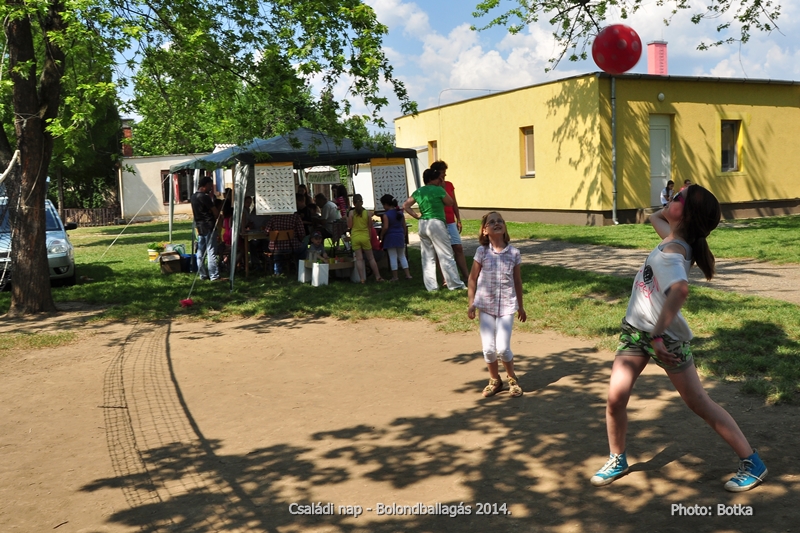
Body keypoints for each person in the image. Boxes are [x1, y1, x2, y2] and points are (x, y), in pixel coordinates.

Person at [590, 184, 767, 492]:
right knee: (615, 399)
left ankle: (753, 462)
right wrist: (675, 205)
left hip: (665, 340)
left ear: (686, 215)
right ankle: (617, 458)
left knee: (699, 402)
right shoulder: (674, 240)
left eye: (678, 198)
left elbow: (680, 290)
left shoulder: (673, 252)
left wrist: (658, 335)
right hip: (636, 332)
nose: (671, 198)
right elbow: (654, 217)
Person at [467, 211, 526, 398]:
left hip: (507, 306)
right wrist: (471, 303)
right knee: (488, 348)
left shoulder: (514, 253)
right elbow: (472, 278)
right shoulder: (482, 252)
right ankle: (495, 380)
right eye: (491, 222)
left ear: (505, 227)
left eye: (500, 221)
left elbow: (517, 281)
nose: (497, 223)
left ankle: (512, 379)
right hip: (485, 305)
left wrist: (521, 306)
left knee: (503, 348)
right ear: (485, 230)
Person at [402, 168, 465, 291]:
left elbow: (405, 205)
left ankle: (431, 287)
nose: (440, 180)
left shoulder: (419, 191)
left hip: (423, 224)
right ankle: (455, 284)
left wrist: (417, 216)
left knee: (427, 257)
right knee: (446, 254)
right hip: (436, 224)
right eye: (438, 178)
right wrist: (442, 187)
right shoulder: (438, 189)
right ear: (432, 179)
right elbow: (450, 202)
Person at [431, 161, 470, 280]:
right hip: (438, 222)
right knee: (441, 251)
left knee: (458, 248)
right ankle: (445, 278)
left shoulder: (449, 185)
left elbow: (454, 203)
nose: (445, 175)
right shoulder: (432, 187)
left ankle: (466, 276)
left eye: (445, 172)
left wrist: (458, 219)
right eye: (442, 172)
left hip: (450, 221)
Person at [190, 176, 221, 281]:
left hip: (200, 226)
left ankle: (202, 274)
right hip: (209, 226)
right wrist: (218, 215)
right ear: (205, 185)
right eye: (210, 185)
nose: (211, 188)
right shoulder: (205, 197)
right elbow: (215, 211)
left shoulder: (193, 196)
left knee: (200, 252)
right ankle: (214, 275)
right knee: (211, 251)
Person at [348, 194, 383, 283]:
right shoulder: (367, 213)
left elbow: (350, 226)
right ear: (362, 202)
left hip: (355, 237)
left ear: (353, 203)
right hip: (365, 236)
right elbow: (370, 226)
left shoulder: (351, 213)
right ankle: (378, 277)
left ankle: (362, 279)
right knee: (371, 258)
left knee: (359, 259)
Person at [379, 194, 412, 281]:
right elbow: (404, 225)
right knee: (402, 256)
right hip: (400, 236)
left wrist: (381, 234)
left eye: (383, 205)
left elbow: (386, 227)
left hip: (390, 237)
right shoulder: (400, 213)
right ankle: (408, 275)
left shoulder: (386, 215)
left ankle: (395, 276)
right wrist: (404, 234)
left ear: (386, 204)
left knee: (392, 256)